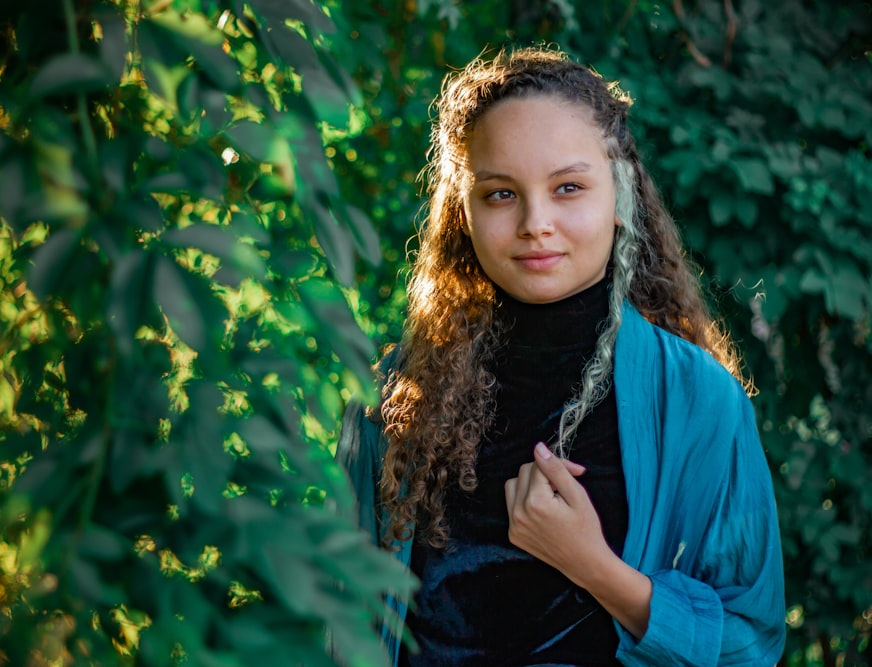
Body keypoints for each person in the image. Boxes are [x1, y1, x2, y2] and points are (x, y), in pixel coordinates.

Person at [336, 46, 785, 666]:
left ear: (620, 193)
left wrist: (594, 567)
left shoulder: (699, 401)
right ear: (462, 211)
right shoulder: (395, 398)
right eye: (500, 194)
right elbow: (339, 621)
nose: (535, 223)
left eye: (568, 187)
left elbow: (749, 644)